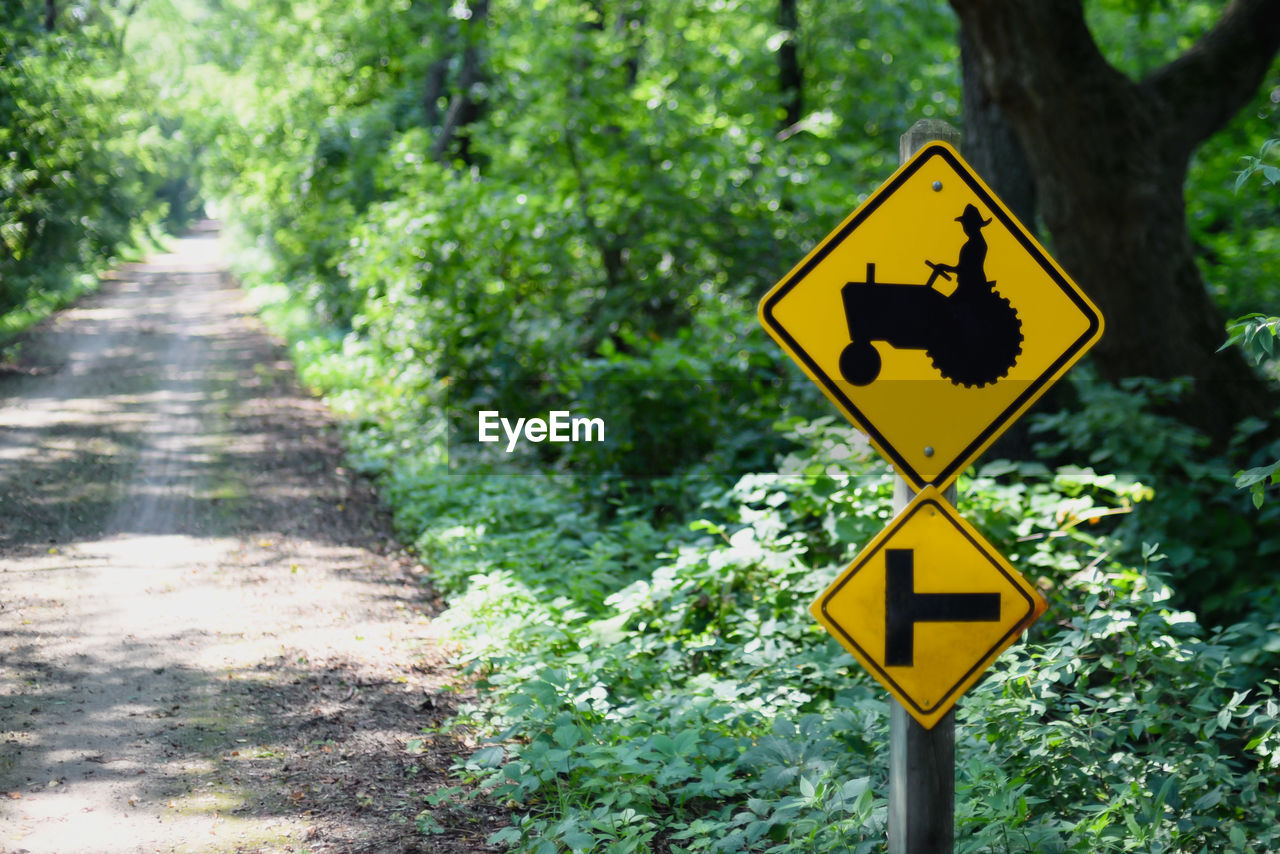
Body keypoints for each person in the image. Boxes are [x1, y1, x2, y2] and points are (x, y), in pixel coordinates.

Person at [929, 204, 992, 300]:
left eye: (966, 223)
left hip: (971, 286)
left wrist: (946, 267)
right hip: (967, 284)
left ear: (973, 225)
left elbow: (968, 269)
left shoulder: (976, 244)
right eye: (964, 224)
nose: (964, 227)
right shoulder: (974, 243)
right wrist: (946, 267)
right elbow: (963, 268)